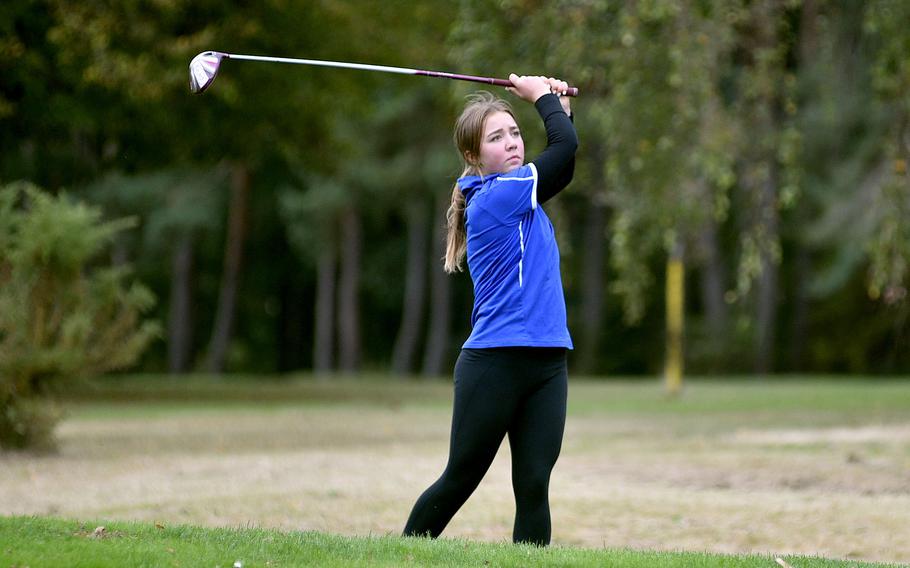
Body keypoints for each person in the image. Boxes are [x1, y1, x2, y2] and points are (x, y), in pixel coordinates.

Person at [402, 74, 577, 546]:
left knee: (534, 486)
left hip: (546, 361)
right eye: (496, 138)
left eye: (515, 133)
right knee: (460, 480)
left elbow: (563, 163)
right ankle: (401, 555)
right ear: (474, 157)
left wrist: (559, 105)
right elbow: (562, 152)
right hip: (495, 361)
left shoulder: (523, 198)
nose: (512, 144)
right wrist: (543, 100)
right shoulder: (496, 198)